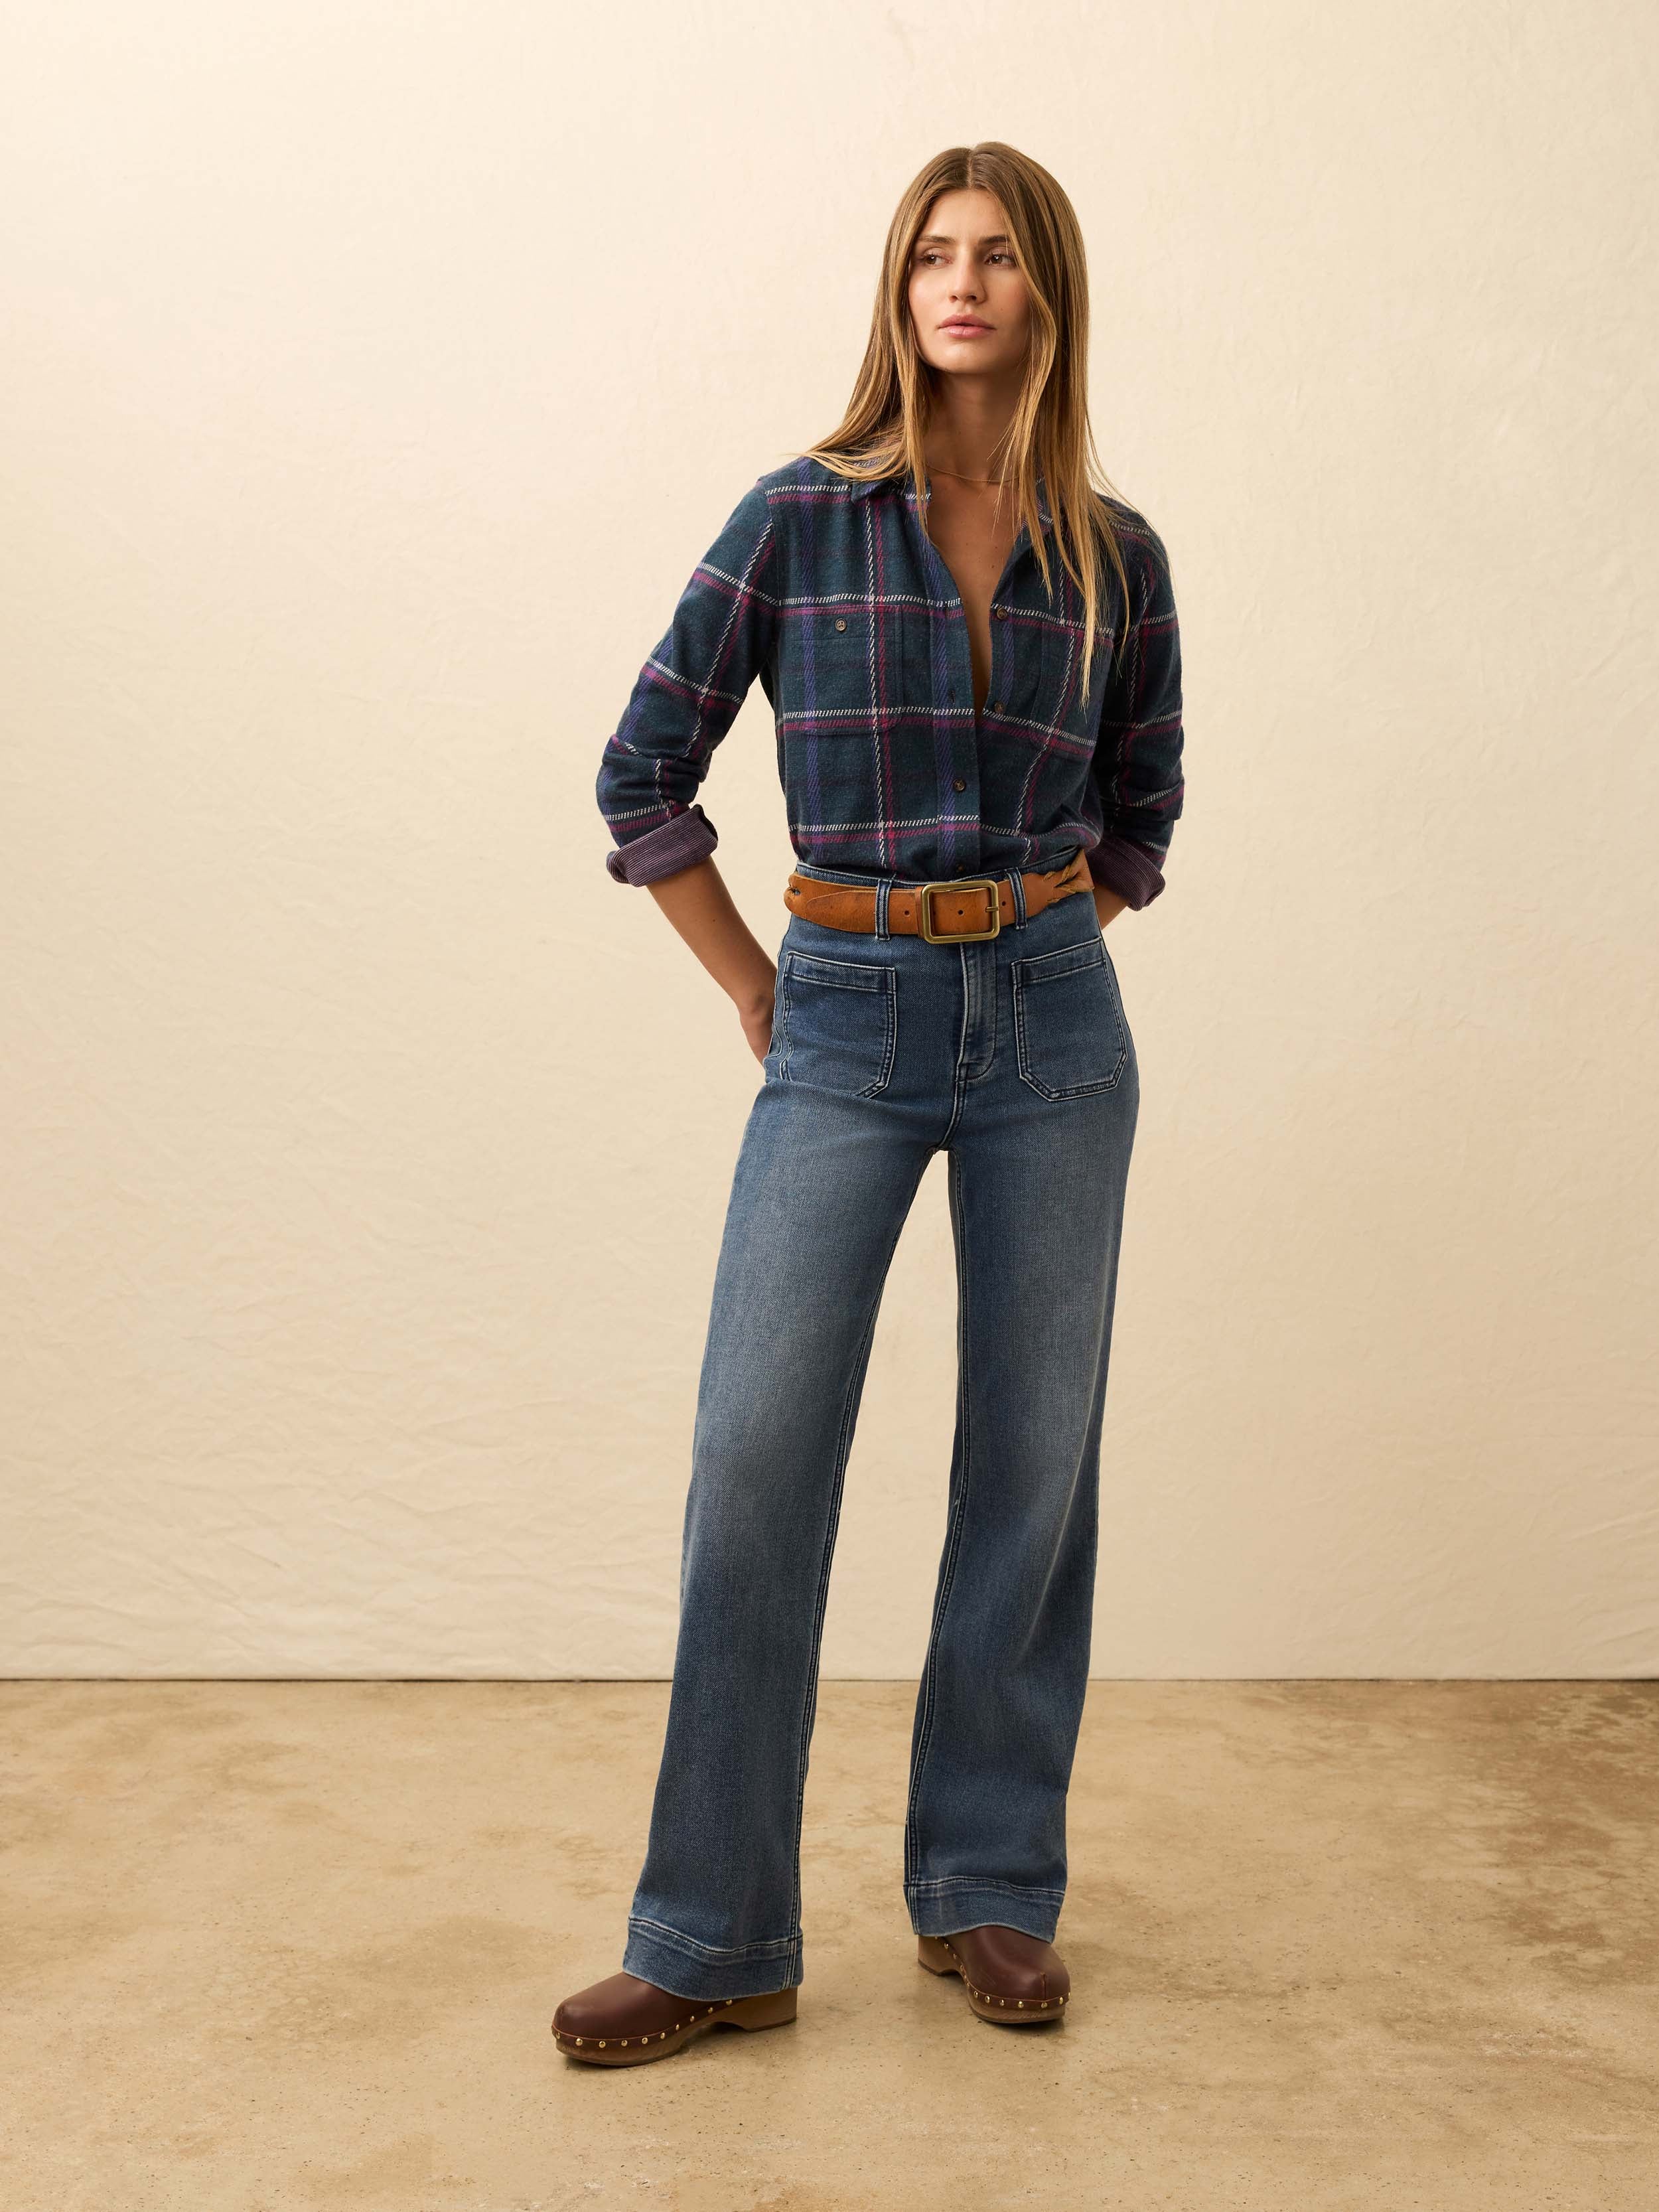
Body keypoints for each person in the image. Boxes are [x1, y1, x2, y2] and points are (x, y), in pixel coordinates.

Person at [553, 140, 1185, 2067]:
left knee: (1030, 1465)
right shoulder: (797, 517)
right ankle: (716, 1930)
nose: (963, 283)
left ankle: (989, 1885)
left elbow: (1138, 814)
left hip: (1054, 1036)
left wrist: (1027, 936)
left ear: (1045, 293)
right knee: (754, 1461)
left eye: (996, 256)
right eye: (933, 253)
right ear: (896, 289)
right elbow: (640, 765)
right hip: (836, 1017)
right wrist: (760, 980)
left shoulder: (1113, 551)